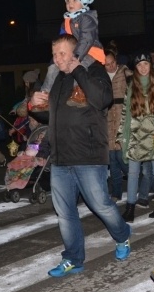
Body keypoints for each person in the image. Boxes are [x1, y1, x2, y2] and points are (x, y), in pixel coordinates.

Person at [30, 34, 132, 277]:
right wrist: (33, 103)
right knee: (65, 213)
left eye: (62, 53)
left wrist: (78, 71)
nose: (57, 59)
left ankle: (122, 235)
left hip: (88, 156)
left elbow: (103, 100)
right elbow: (51, 116)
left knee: (101, 205)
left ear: (75, 53)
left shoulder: (94, 71)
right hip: (61, 158)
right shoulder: (57, 79)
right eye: (54, 55)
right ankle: (73, 258)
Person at [118, 53, 154, 222]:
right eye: (139, 65)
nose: (143, 68)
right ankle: (130, 208)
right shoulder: (131, 86)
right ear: (135, 67)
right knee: (133, 173)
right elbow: (125, 113)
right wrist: (121, 136)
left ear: (150, 65)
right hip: (136, 136)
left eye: (146, 64)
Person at [40, 0, 105, 107]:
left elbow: (86, 39)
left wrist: (75, 57)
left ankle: (79, 92)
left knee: (78, 67)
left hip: (90, 52)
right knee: (52, 68)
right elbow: (61, 41)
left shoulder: (87, 18)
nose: (70, 3)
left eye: (74, 0)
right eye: (68, 0)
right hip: (72, 53)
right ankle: (44, 96)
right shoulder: (66, 22)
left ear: (84, 2)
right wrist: (55, 59)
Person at [104, 50, 130, 201]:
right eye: (107, 65)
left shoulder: (125, 73)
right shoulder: (101, 76)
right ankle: (116, 193)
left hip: (123, 120)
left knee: (122, 158)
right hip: (107, 122)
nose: (111, 66)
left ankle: (138, 185)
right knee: (112, 161)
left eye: (112, 62)